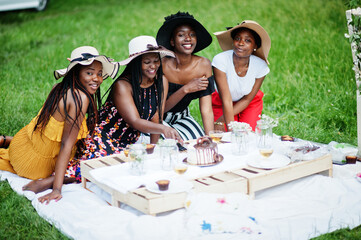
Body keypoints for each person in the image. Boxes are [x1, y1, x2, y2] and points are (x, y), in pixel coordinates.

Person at [0, 46, 119, 203]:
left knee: (96, 143)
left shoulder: (60, 87)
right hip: (34, 166)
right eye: (89, 73)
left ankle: (6, 140)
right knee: (100, 160)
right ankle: (46, 182)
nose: (96, 78)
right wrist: (56, 189)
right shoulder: (79, 99)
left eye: (98, 73)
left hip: (22, 147)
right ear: (76, 72)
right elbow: (65, 145)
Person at [73, 35, 180, 166]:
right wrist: (163, 129)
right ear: (136, 63)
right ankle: (50, 181)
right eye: (147, 62)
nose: (153, 66)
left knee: (136, 166)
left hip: (128, 142)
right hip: (102, 135)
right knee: (96, 169)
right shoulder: (123, 85)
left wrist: (153, 148)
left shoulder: (161, 81)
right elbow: (134, 121)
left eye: (156, 61)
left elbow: (156, 116)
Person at [156, 11, 215, 140]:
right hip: (156, 117)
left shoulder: (203, 65)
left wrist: (210, 137)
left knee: (197, 143)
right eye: (181, 35)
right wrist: (186, 89)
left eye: (192, 34)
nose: (188, 38)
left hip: (182, 115)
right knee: (174, 145)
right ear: (172, 41)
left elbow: (206, 109)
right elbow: (161, 109)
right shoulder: (162, 65)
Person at [212, 20, 271, 131]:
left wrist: (223, 119)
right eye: (237, 38)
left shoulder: (260, 66)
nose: (241, 43)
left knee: (247, 135)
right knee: (221, 136)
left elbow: (247, 99)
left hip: (248, 101)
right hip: (222, 101)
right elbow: (226, 99)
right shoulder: (220, 60)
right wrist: (230, 130)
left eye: (247, 40)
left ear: (255, 46)